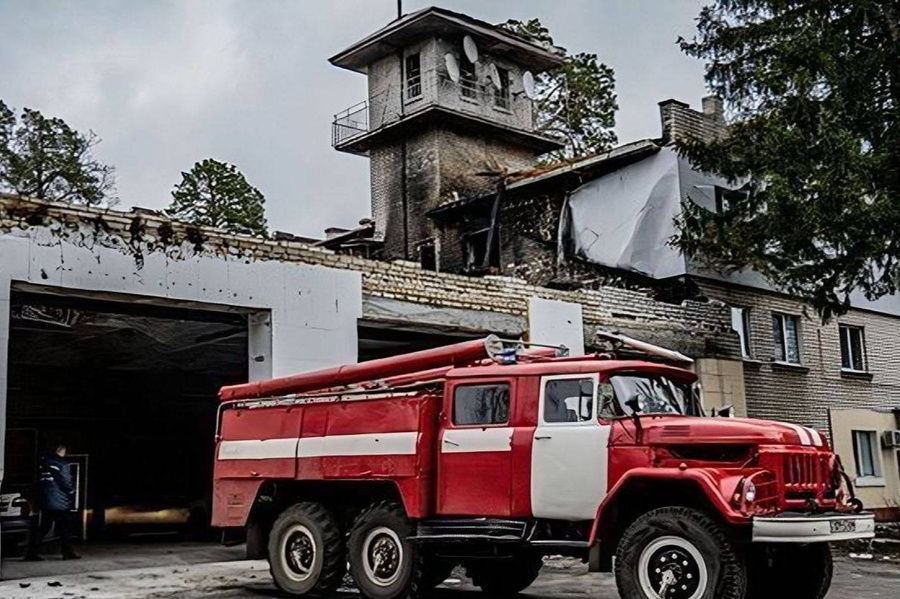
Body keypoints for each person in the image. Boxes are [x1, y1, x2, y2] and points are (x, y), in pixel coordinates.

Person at [23, 441, 80, 560]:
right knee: (64, 527)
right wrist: (71, 491)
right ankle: (67, 552)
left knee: (44, 527)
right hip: (60, 502)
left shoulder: (43, 463)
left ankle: (31, 552)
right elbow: (66, 483)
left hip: (46, 500)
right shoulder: (62, 464)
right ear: (62, 451)